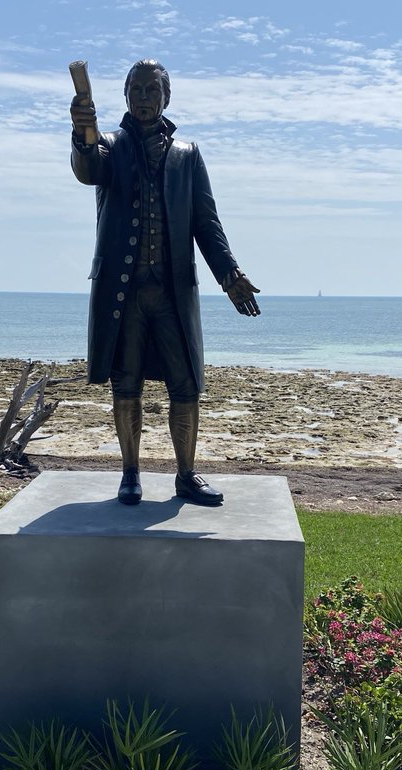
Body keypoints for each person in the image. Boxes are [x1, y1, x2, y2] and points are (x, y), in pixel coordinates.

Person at [70, 58, 260, 506]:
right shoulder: (111, 148)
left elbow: (206, 223)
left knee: (186, 385)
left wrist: (229, 273)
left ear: (166, 97)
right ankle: (130, 473)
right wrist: (82, 132)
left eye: (150, 90)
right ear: (125, 95)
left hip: (174, 290)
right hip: (124, 292)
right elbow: (87, 168)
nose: (142, 98)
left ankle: (186, 475)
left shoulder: (188, 155)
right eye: (135, 90)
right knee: (126, 383)